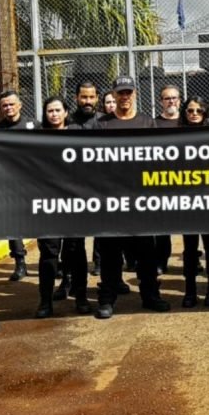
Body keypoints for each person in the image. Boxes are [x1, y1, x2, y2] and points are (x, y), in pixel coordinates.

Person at [83, 76, 169, 319]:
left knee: (146, 254)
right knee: (110, 254)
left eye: (128, 92)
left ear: (134, 94)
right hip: (111, 203)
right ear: (114, 94)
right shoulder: (101, 124)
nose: (124, 97)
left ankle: (150, 296)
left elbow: (158, 159)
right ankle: (107, 299)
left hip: (141, 202)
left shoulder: (146, 122)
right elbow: (92, 161)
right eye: (120, 93)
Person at [32, 96, 92, 317]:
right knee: (48, 253)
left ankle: (82, 298)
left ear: (66, 112)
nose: (54, 114)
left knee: (76, 251)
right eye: (50, 111)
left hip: (75, 204)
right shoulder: (37, 139)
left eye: (58, 110)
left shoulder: (77, 135)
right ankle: (45, 302)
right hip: (47, 205)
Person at [179, 95, 209, 307]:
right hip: (187, 200)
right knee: (189, 248)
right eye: (190, 111)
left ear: (205, 113)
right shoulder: (175, 136)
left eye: (199, 111)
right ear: (184, 113)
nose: (194, 114)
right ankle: (190, 291)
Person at [0, 90, 38, 283]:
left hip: (35, 182)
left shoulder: (34, 125)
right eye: (5, 105)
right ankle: (20, 263)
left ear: (20, 105)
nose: (9, 108)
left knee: (44, 221)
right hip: (11, 184)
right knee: (14, 225)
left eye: (12, 104)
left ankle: (54, 262)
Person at [69, 82, 104, 279]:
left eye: (91, 97)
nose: (87, 101)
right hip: (74, 187)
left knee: (104, 233)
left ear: (97, 98)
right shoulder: (68, 122)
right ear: (77, 98)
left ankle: (103, 269)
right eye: (84, 97)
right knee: (74, 241)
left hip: (100, 186)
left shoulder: (104, 122)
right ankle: (73, 282)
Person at [152, 85, 183, 276]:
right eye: (167, 98)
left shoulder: (187, 121)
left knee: (191, 226)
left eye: (174, 98)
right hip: (162, 181)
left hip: (186, 181)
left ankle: (193, 261)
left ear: (179, 100)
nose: (171, 101)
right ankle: (161, 262)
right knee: (162, 227)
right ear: (160, 101)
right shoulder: (153, 124)